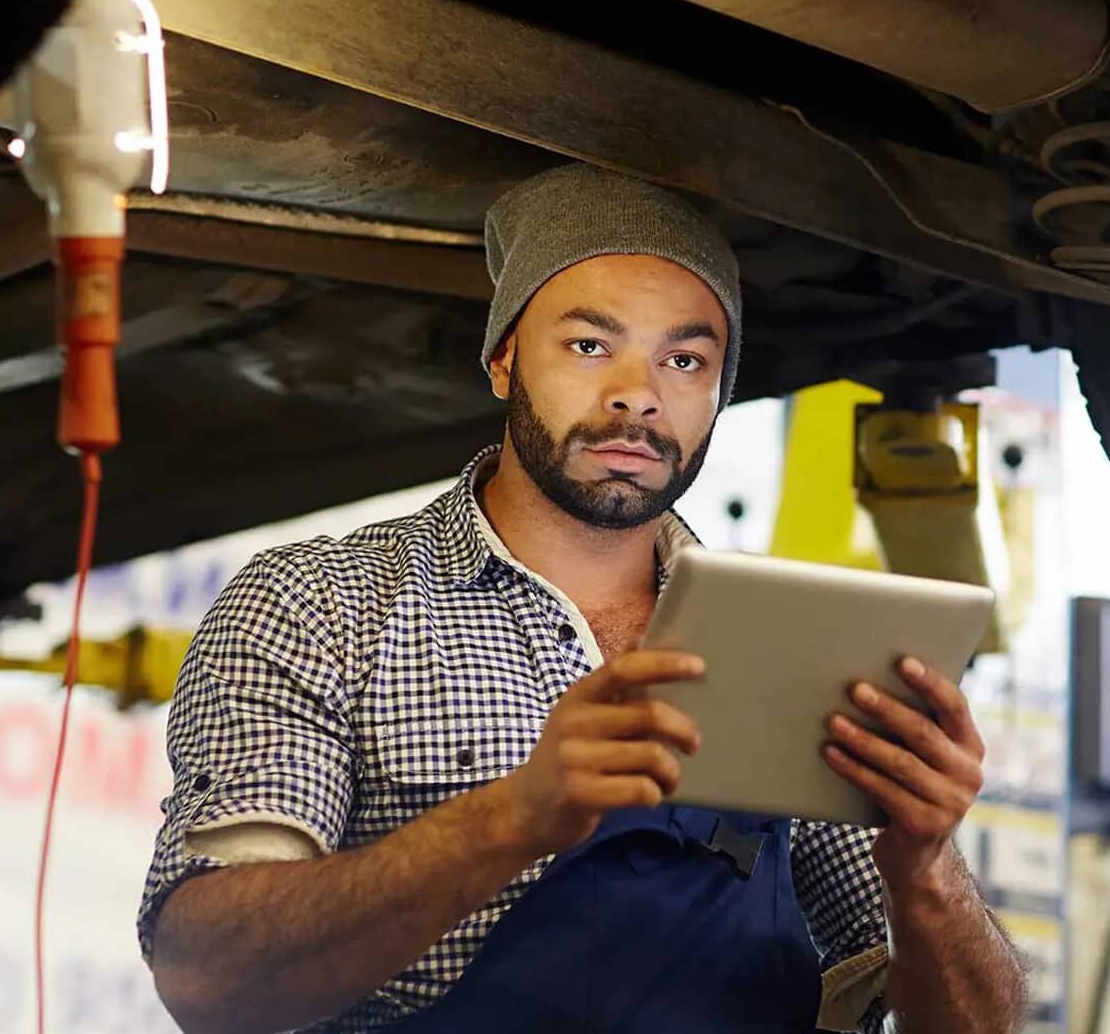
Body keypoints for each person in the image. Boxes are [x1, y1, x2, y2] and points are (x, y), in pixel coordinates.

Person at [138, 163, 1028, 1034]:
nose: (637, 396)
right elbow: (212, 985)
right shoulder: (322, 606)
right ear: (501, 359)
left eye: (684, 359)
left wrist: (926, 868)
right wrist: (516, 815)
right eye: (590, 345)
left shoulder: (788, 644)